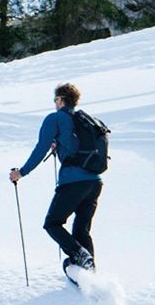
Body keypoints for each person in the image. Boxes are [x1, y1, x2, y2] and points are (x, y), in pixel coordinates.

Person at [9, 82, 101, 277]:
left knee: (52, 223)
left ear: (60, 100)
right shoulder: (83, 120)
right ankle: (90, 274)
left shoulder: (56, 118)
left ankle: (80, 256)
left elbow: (40, 148)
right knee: (81, 230)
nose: (54, 103)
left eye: (55, 99)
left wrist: (22, 172)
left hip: (73, 182)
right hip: (94, 182)